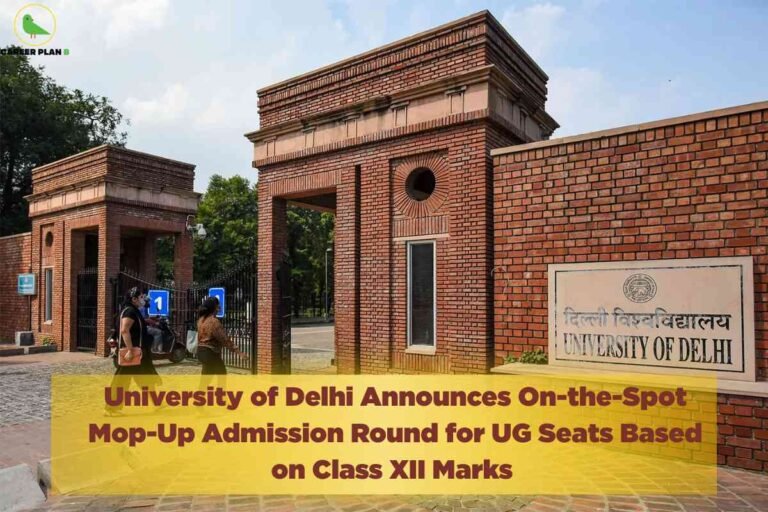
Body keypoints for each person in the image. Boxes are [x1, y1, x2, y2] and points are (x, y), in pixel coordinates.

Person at [114, 286, 159, 376]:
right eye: (141, 297)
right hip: (133, 352)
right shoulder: (129, 311)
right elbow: (124, 330)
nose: (143, 299)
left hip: (140, 352)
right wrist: (130, 350)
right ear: (134, 299)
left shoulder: (134, 310)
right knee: (122, 382)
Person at [196, 296, 246, 374]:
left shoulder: (200, 320)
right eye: (218, 306)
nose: (219, 308)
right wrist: (239, 353)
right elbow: (224, 339)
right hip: (210, 353)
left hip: (201, 352)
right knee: (222, 375)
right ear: (214, 308)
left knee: (206, 378)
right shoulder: (214, 322)